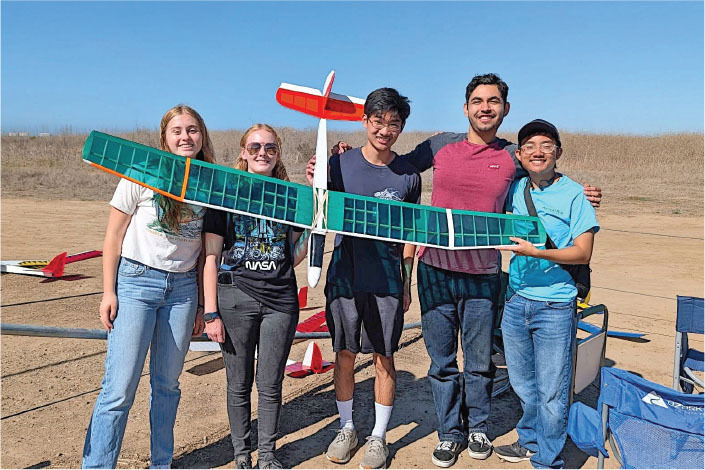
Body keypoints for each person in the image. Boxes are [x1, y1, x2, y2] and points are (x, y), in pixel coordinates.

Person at [396, 73, 602, 468]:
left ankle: (477, 429)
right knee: (441, 363)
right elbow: (392, 168)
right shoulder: (439, 145)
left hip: (484, 276)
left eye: (493, 101)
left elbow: (549, 177)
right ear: (466, 107)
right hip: (435, 271)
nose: (485, 107)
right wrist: (340, 158)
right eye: (477, 100)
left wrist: (586, 192)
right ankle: (448, 434)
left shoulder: (513, 156)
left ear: (505, 109)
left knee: (479, 362)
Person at [83, 104, 214, 469]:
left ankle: (161, 463)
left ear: (202, 136)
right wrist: (108, 291)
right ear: (165, 138)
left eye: (192, 129)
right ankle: (97, 465)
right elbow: (113, 236)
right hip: (137, 283)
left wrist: (202, 304)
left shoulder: (209, 183)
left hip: (184, 290)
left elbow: (206, 250)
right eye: (177, 131)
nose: (185, 137)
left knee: (167, 386)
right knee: (119, 389)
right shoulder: (141, 174)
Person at [313, 88, 420, 470]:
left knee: (384, 357)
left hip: (388, 279)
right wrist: (317, 174)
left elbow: (411, 233)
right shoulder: (340, 165)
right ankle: (347, 428)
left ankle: (378, 436)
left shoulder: (409, 175)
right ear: (365, 122)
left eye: (394, 123)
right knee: (343, 354)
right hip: (344, 275)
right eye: (378, 121)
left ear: (401, 127)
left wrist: (406, 279)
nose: (385, 129)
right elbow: (319, 209)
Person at [202, 124, 310, 470]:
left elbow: (292, 255)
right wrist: (210, 313)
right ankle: (241, 454)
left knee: (270, 383)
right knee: (238, 382)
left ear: (277, 153)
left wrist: (313, 231)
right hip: (235, 298)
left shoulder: (289, 195)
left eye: (270, 148)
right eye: (255, 147)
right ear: (244, 152)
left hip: (280, 302)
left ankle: (267, 455)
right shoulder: (226, 192)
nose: (262, 153)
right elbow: (211, 256)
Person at [495, 119, 599, 468]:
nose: (538, 152)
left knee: (553, 390)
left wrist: (538, 253)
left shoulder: (574, 195)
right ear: (520, 155)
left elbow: (583, 253)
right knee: (523, 383)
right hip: (516, 301)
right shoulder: (514, 190)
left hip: (555, 304)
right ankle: (529, 441)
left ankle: (548, 460)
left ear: (558, 152)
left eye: (546, 145)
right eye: (530, 147)